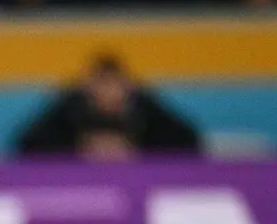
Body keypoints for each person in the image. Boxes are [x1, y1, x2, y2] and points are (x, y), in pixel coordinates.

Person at [15, 53, 200, 159]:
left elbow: (190, 140)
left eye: (114, 84)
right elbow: (25, 144)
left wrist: (136, 149)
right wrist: (79, 148)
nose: (108, 92)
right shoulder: (69, 110)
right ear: (88, 87)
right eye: (102, 84)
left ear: (127, 86)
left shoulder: (145, 110)